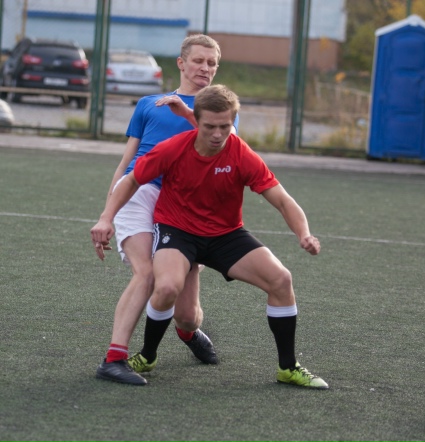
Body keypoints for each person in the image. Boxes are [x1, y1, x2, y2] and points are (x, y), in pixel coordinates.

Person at [91, 84, 329, 389]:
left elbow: (282, 200)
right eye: (210, 127)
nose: (217, 134)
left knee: (281, 279)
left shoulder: (241, 154)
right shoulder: (173, 148)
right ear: (196, 120)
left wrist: (303, 233)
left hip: (225, 235)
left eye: (225, 127)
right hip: (177, 231)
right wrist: (106, 218)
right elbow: (132, 180)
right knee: (166, 286)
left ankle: (288, 367)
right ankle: (147, 355)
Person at [92, 35, 238, 386]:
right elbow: (127, 163)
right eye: (198, 60)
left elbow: (228, 150)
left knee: (187, 314)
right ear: (181, 63)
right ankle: (114, 359)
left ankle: (187, 333)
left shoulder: (220, 109)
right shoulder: (148, 104)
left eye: (212, 63)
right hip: (140, 193)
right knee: (146, 274)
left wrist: (189, 114)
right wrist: (107, 214)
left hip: (185, 205)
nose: (205, 68)